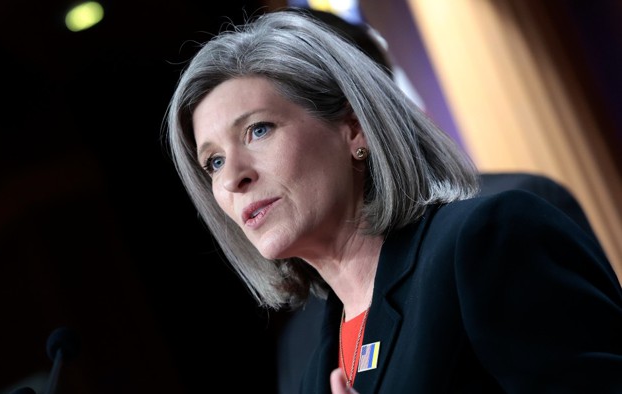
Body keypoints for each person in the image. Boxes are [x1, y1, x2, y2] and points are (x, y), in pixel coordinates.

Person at [162, 7, 622, 394]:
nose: (234, 177)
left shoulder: (488, 238)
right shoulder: (312, 366)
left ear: (354, 128)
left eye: (258, 130)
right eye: (214, 162)